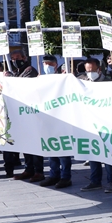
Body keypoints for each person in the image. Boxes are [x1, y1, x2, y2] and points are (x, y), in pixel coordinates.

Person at [79, 58, 112, 193]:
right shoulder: (81, 81)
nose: (89, 73)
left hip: (105, 124)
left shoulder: (108, 82)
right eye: (87, 70)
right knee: (93, 154)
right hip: (89, 124)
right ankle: (95, 181)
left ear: (99, 70)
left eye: (92, 70)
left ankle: (111, 182)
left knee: (107, 155)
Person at [36, 56, 72, 189]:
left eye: (49, 64)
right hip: (47, 119)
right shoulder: (41, 79)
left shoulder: (63, 78)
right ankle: (54, 175)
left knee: (63, 150)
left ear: (55, 65)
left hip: (62, 119)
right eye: (44, 63)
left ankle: (65, 177)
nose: (46, 66)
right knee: (51, 149)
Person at [13, 54, 45, 182]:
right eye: (13, 59)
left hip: (33, 113)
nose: (15, 61)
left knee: (35, 144)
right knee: (26, 144)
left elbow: (23, 86)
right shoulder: (16, 72)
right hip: (22, 114)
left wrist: (10, 80)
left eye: (18, 58)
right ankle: (28, 169)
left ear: (24, 59)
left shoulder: (30, 70)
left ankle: (39, 171)